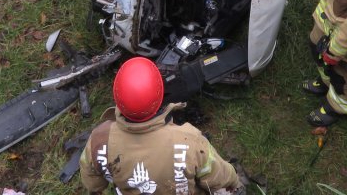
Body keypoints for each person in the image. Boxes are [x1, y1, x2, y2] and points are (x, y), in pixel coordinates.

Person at [79, 56, 243, 194]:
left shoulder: (98, 140)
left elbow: (92, 183)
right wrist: (234, 181)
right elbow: (218, 175)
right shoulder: (189, 141)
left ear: (117, 97)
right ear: (160, 96)